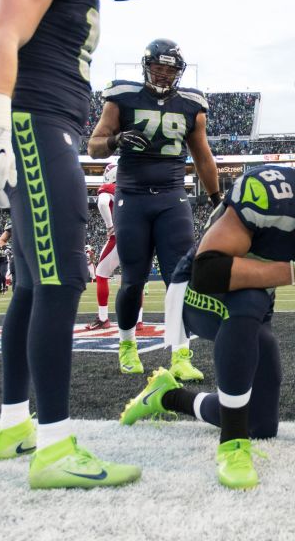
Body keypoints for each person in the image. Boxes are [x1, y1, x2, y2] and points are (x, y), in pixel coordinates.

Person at [0, 0, 174, 489]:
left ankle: (14, 423)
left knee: (32, 287)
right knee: (63, 279)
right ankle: (55, 447)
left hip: (48, 123)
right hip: (36, 123)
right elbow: (2, 35)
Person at [118, 170, 295, 489]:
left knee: (261, 423)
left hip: (254, 305)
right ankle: (232, 445)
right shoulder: (267, 193)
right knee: (249, 301)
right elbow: (208, 269)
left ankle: (168, 397)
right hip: (198, 291)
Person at [87, 39, 220, 380]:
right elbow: (95, 145)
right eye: (158, 68)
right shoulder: (123, 98)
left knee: (181, 280)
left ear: (179, 72)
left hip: (172, 197)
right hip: (131, 197)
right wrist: (116, 140)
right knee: (133, 280)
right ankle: (127, 343)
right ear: (146, 67)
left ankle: (181, 353)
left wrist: (217, 198)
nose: (163, 75)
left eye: (170, 69)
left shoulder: (191, 105)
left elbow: (203, 156)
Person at [86, 162, 120, 330]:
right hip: (138, 236)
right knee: (134, 279)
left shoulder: (109, 188)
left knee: (100, 274)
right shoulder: (131, 188)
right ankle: (139, 320)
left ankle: (103, 317)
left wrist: (109, 226)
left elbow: (101, 203)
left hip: (119, 237)